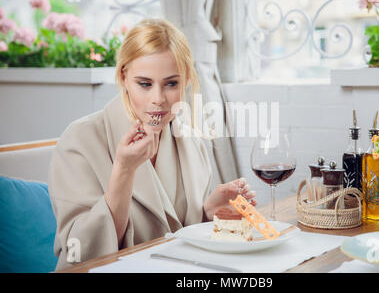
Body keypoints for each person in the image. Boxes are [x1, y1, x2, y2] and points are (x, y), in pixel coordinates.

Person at [48, 18, 257, 271]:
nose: (158, 100)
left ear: (187, 79)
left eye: (171, 83)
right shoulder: (79, 140)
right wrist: (124, 171)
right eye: (144, 84)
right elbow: (78, 251)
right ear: (124, 76)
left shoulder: (190, 139)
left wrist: (207, 212)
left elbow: (179, 235)